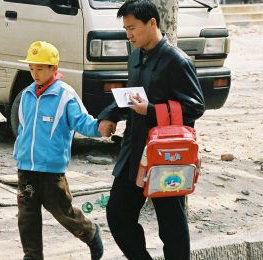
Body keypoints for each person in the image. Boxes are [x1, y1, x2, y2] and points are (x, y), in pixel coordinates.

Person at [97, 1, 205, 259]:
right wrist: (110, 115)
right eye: (125, 28)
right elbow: (131, 94)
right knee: (118, 215)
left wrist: (152, 110)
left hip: (166, 156)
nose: (128, 34)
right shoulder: (135, 56)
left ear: (152, 23)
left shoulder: (177, 61)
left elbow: (196, 107)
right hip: (133, 151)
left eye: (132, 27)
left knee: (171, 227)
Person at [13, 41, 103, 260]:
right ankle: (32, 256)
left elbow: (83, 122)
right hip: (26, 167)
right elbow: (23, 129)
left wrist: (102, 128)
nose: (35, 73)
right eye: (32, 68)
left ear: (54, 69)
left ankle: (90, 233)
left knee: (63, 212)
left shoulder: (65, 95)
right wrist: (20, 153)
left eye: (40, 68)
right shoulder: (26, 94)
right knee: (27, 216)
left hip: (52, 170)